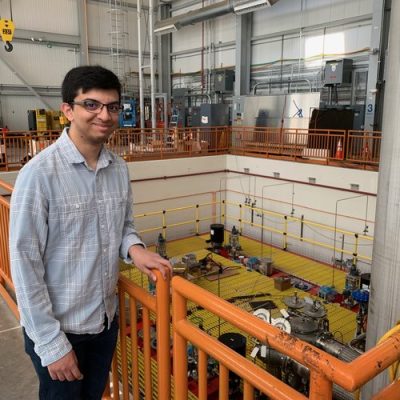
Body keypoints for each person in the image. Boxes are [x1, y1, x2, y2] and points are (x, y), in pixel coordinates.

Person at [9, 65, 172, 400]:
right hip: (60, 329)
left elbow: (122, 225)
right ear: (67, 110)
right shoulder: (38, 175)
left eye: (113, 107)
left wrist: (135, 249)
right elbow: (25, 266)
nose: (105, 115)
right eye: (92, 105)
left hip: (103, 323)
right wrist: (52, 344)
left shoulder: (118, 169)